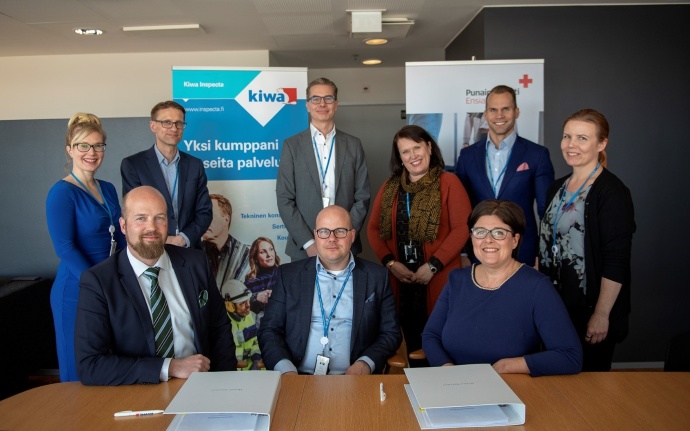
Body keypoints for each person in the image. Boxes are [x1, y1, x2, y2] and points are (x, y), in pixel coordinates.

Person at [75, 186, 237, 385]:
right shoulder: (98, 281)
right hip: (136, 392)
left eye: (159, 217)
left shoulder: (196, 263)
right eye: (141, 218)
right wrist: (170, 367)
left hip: (199, 387)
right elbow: (90, 365)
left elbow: (219, 328)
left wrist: (224, 386)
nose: (151, 228)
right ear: (123, 226)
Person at [422, 200, 582, 376]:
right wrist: (448, 372)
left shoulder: (537, 287)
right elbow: (431, 336)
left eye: (499, 233)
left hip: (511, 390)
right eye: (480, 232)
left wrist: (506, 367)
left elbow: (570, 357)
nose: (488, 240)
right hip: (454, 387)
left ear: (515, 240)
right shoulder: (456, 280)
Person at [539, 109, 635, 371]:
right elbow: (547, 243)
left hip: (590, 309)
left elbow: (617, 260)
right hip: (556, 307)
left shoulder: (612, 192)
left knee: (590, 391)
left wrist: (601, 314)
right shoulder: (556, 187)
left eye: (582, 138)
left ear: (601, 143)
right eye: (567, 136)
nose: (571, 145)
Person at [368, 125, 471, 367]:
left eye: (417, 147)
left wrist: (433, 265)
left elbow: (462, 229)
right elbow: (373, 230)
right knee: (412, 344)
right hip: (401, 281)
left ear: (429, 147)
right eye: (405, 151)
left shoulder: (449, 182)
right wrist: (390, 263)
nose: (413, 155)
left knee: (441, 344)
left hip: (439, 278)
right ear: (400, 158)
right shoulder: (389, 187)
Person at [258, 205, 401, 375]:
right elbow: (269, 330)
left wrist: (365, 364)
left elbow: (390, 333)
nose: (332, 238)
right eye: (324, 231)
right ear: (315, 236)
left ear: (352, 235)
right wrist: (286, 370)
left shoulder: (377, 277)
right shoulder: (288, 275)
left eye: (340, 231)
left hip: (356, 380)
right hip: (298, 377)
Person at [46, 112, 126, 382]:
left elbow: (121, 235)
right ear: (70, 149)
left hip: (109, 286)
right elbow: (65, 248)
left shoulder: (108, 188)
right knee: (77, 372)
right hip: (77, 290)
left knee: (109, 365)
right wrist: (98, 284)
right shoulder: (61, 192)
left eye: (98, 145)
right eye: (83, 145)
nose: (91, 152)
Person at [455, 85, 554, 265]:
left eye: (505, 109)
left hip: (522, 250)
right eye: (493, 110)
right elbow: (460, 209)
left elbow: (546, 211)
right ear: (485, 114)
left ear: (516, 112)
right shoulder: (467, 156)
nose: (499, 116)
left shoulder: (537, 154)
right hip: (480, 249)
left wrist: (543, 253)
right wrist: (463, 251)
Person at [276, 77, 370, 261]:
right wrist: (309, 243)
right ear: (308, 105)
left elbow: (363, 197)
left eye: (328, 98)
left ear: (336, 104)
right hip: (304, 249)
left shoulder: (353, 145)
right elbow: (285, 199)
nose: (322, 104)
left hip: (345, 246)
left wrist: (347, 236)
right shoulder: (292, 146)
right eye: (315, 99)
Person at [121, 100, 212, 249]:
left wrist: (183, 239)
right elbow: (134, 214)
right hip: (151, 248)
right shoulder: (133, 165)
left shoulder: (195, 165)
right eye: (167, 122)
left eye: (179, 123)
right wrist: (162, 239)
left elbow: (205, 212)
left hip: (189, 250)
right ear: (153, 126)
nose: (174, 128)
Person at [203, 193, 251, 287]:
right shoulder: (195, 251)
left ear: (226, 220)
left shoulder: (246, 255)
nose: (204, 220)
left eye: (210, 215)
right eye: (203, 215)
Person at [220, 279, 263, 371]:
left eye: (248, 301)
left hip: (251, 369)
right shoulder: (222, 322)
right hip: (231, 372)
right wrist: (253, 330)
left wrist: (256, 359)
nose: (248, 306)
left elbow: (256, 343)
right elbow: (233, 338)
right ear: (229, 305)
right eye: (242, 303)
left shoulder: (252, 316)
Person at [244, 236, 281, 327]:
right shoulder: (249, 283)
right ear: (256, 257)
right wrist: (256, 297)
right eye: (262, 252)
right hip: (258, 330)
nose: (269, 254)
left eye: (271, 249)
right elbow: (238, 305)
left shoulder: (284, 274)